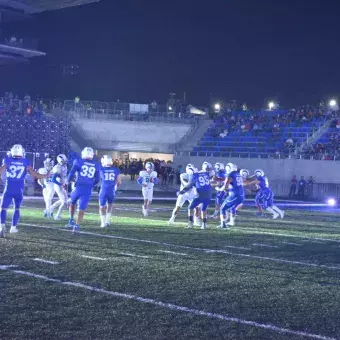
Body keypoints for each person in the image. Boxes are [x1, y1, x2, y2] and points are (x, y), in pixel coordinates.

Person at [0, 144, 50, 238]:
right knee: (17, 208)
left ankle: (2, 226)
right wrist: (46, 175)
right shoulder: (25, 162)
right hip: (19, 189)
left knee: (3, 208)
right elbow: (36, 175)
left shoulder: (7, 160)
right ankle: (13, 227)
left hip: (9, 187)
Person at [67, 147, 100, 233]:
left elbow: (71, 173)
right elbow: (97, 179)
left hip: (78, 187)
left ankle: (71, 219)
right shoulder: (96, 164)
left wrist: (68, 181)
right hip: (87, 189)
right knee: (82, 208)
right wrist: (90, 184)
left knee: (72, 203)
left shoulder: (78, 161)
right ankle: (77, 225)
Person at [179, 162, 212, 230]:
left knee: (190, 207)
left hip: (201, 194)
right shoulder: (205, 173)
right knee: (203, 209)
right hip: (209, 193)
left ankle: (190, 223)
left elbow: (189, 186)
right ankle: (204, 225)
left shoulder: (194, 175)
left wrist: (181, 192)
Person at [217, 163, 246, 228]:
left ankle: (223, 224)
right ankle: (232, 222)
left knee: (222, 208)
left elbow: (225, 186)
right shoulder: (238, 174)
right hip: (241, 195)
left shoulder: (230, 174)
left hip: (235, 195)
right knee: (232, 207)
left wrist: (219, 189)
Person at [99, 155, 121, 228]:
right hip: (111, 190)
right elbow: (119, 182)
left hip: (104, 189)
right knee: (110, 204)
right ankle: (107, 221)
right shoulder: (116, 169)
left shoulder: (101, 169)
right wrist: (115, 188)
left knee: (102, 206)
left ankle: (103, 222)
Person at [49, 154, 68, 220]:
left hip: (62, 185)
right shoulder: (57, 167)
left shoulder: (64, 166)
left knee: (65, 200)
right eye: (64, 160)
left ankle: (50, 208)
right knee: (64, 202)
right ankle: (57, 216)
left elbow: (64, 176)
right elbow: (53, 179)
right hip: (58, 186)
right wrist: (61, 184)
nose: (65, 161)